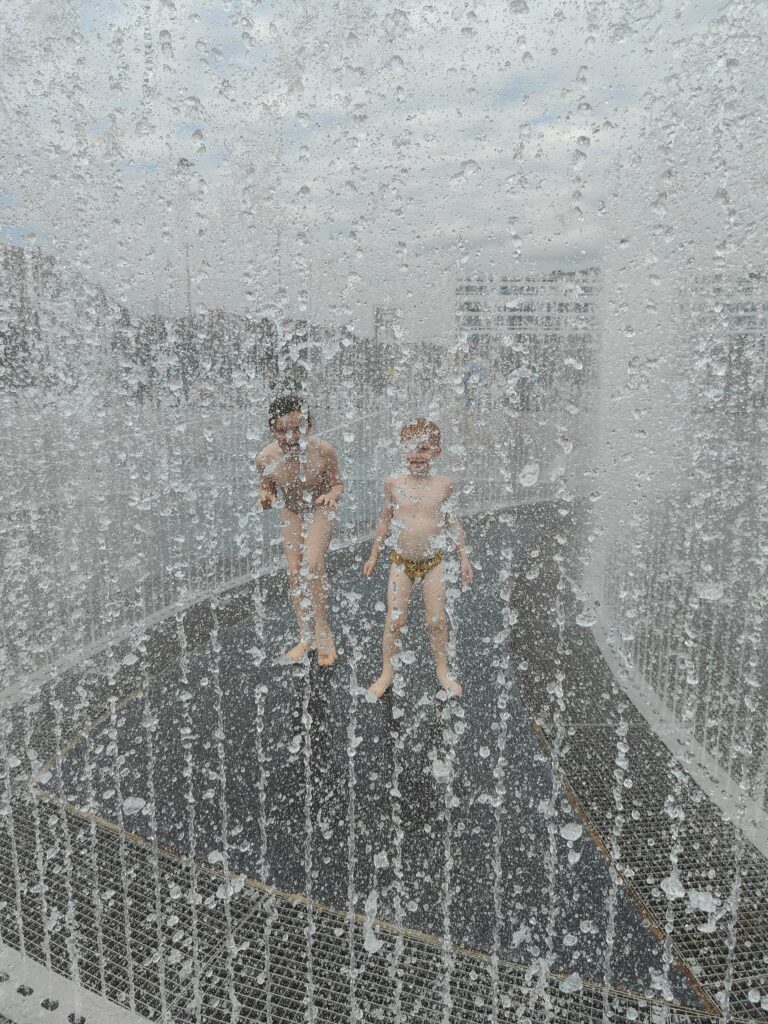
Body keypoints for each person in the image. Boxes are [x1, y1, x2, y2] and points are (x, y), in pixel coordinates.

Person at [363, 418, 473, 700]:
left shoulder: (444, 485)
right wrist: (374, 555)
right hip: (401, 563)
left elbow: (452, 522)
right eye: (410, 448)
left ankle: (443, 671)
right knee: (395, 620)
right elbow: (384, 520)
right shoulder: (393, 483)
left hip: (434, 563)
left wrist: (463, 557)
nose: (416, 455)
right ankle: (387, 671)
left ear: (437, 452)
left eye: (423, 449)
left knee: (436, 621)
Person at [256, 395, 343, 667]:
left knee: (313, 563)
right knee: (295, 572)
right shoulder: (265, 458)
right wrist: (266, 498)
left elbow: (337, 484)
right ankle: (306, 637)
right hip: (292, 510)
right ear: (272, 429)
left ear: (309, 425)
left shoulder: (324, 450)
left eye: (298, 429)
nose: (291, 437)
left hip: (320, 508)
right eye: (282, 430)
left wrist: (332, 495)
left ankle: (323, 633)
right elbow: (267, 488)